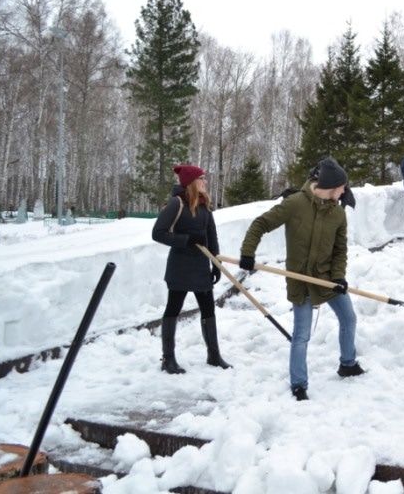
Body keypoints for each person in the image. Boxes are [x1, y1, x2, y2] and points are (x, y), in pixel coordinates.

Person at [239, 157, 363, 401]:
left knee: (349, 318)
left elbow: (340, 250)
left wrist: (338, 276)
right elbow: (260, 224)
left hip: (328, 279)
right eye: (342, 186)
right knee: (302, 334)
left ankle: (347, 363)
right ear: (331, 185)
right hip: (301, 280)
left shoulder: (338, 213)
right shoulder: (295, 203)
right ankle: (299, 384)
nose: (345, 191)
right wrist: (247, 253)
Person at [151, 165, 231, 375]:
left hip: (201, 266)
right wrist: (186, 240)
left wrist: (216, 263)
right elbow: (158, 233)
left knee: (208, 309)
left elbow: (211, 235)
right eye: (202, 178)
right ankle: (168, 359)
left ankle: (213, 355)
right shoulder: (176, 204)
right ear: (191, 182)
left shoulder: (204, 204)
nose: (205, 181)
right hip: (181, 267)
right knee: (173, 308)